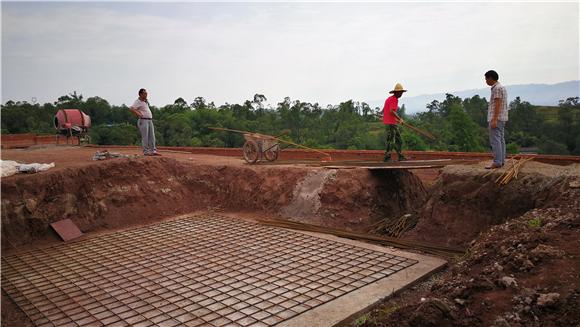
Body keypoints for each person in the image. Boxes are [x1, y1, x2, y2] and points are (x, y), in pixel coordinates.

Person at [484, 70, 508, 169]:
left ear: (490, 78)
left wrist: (494, 119)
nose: (485, 81)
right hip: (502, 118)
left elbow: (497, 104)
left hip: (497, 119)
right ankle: (501, 160)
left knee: (495, 141)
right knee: (501, 139)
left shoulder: (496, 89)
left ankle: (497, 162)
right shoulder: (501, 87)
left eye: (486, 79)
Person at [130, 88, 161, 156]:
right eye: (144, 93)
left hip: (149, 120)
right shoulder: (138, 101)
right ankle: (146, 151)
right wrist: (139, 114)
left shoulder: (145, 101)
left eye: (146, 93)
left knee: (152, 136)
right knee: (145, 137)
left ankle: (153, 151)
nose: (146, 95)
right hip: (143, 120)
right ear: (140, 94)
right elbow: (132, 108)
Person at [383, 83, 407, 162]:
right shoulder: (394, 99)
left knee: (399, 140)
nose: (401, 94)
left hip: (392, 122)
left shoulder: (390, 99)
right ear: (396, 92)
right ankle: (387, 157)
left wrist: (396, 120)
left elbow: (389, 112)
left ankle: (400, 156)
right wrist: (400, 119)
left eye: (401, 92)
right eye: (400, 92)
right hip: (390, 123)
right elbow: (391, 111)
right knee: (391, 141)